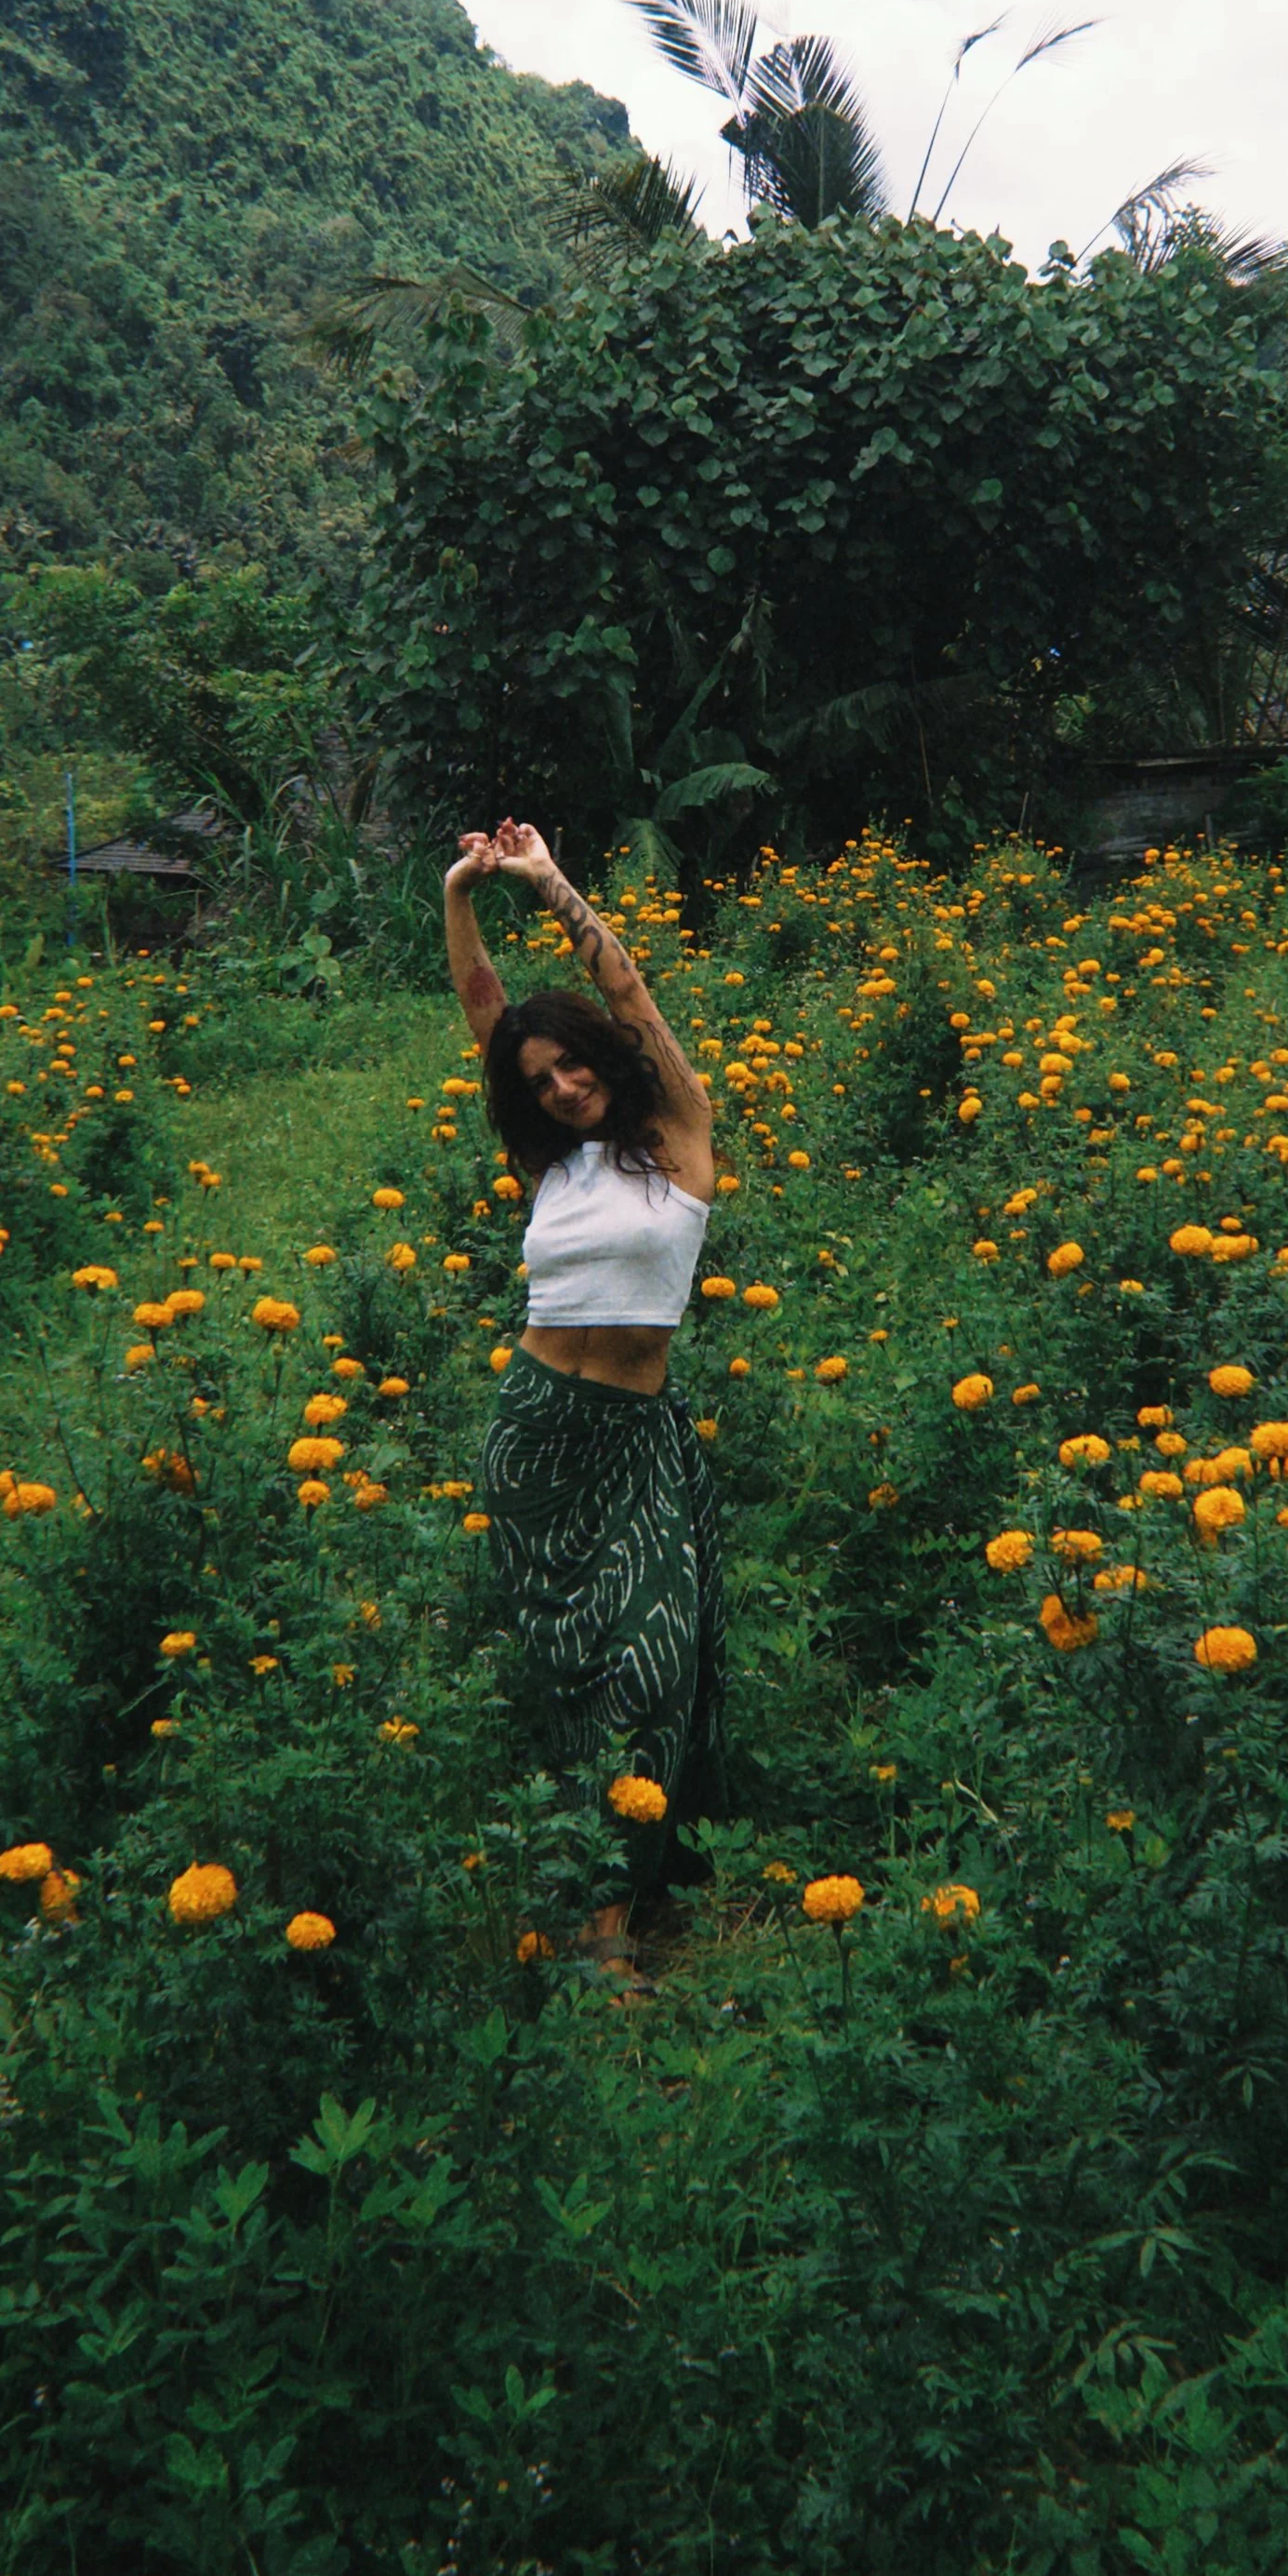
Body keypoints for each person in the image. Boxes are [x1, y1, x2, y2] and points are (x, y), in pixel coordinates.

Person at [445, 817, 725, 1997]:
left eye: (574, 1067)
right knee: (560, 1664)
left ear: (607, 1060)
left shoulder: (680, 1138)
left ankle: (637, 1871)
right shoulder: (547, 1167)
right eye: (541, 1082)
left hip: (639, 1439)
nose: (562, 1088)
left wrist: (550, 882)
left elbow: (632, 991)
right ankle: (597, 1917)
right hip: (538, 1431)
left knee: (651, 1655)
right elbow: (480, 1005)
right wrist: (460, 891)